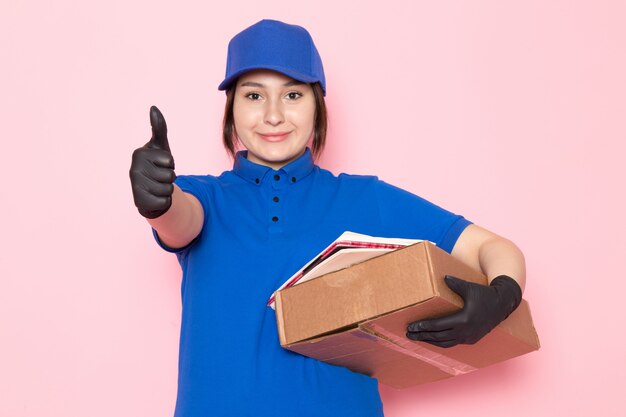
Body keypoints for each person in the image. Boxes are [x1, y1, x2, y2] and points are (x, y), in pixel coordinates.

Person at [129, 19, 526, 417]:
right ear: (231, 108)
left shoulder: (364, 198)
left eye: (293, 95)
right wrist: (159, 200)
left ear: (317, 105)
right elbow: (180, 220)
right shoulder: (204, 196)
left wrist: (502, 295)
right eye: (253, 95)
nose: (272, 115)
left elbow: (493, 247)